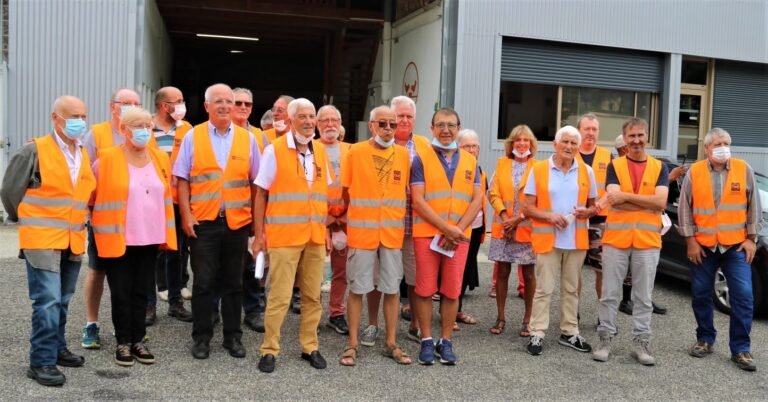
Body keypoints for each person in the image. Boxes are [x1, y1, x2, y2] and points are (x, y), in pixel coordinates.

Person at [1, 95, 95, 386]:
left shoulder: (82, 153)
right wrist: (29, 222)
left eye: (83, 116)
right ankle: (41, 361)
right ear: (56, 118)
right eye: (73, 116)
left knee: (63, 299)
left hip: (73, 238)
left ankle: (56, 348)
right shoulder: (34, 150)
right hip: (42, 240)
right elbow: (9, 192)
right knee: (48, 300)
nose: (79, 122)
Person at [174, 83, 260, 360]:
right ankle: (201, 338)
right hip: (204, 223)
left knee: (234, 283)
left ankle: (233, 338)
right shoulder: (193, 136)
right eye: (219, 101)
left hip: (237, 223)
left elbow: (256, 183)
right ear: (207, 106)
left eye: (229, 101)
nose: (225, 106)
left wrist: (257, 226)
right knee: (203, 283)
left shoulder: (248, 140)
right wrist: (186, 215)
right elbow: (183, 178)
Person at [90, 107, 176, 366]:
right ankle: (123, 342)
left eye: (147, 125)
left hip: (150, 237)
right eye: (136, 125)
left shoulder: (160, 158)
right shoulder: (105, 160)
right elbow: (91, 198)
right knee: (121, 292)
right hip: (118, 237)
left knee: (142, 291)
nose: (143, 130)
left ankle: (139, 339)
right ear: (123, 129)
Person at [253, 98, 332, 373]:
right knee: (280, 297)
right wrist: (259, 234)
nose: (309, 122)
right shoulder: (274, 150)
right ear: (291, 119)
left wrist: (328, 231)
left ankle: (310, 346)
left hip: (314, 236)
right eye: (303, 117)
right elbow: (261, 192)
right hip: (284, 237)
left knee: (312, 297)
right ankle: (269, 349)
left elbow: (322, 195)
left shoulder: (320, 151)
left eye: (312, 117)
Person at [678, 127, 763, 371]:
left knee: (744, 297)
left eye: (727, 142)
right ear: (707, 148)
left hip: (735, 246)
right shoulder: (694, 171)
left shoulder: (742, 168)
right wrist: (691, 241)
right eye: (718, 143)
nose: (723, 146)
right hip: (704, 247)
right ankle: (705, 339)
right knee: (701, 293)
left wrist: (751, 239)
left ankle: (741, 349)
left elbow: (753, 206)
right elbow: (685, 208)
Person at [338, 105, 413, 366]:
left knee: (392, 289)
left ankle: (391, 342)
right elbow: (345, 192)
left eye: (393, 124)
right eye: (383, 124)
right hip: (362, 232)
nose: (389, 129)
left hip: (391, 233)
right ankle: (353, 343)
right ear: (371, 125)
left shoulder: (404, 155)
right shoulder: (354, 152)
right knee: (358, 288)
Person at [593, 117, 669, 366]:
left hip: (647, 241)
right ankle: (605, 338)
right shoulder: (615, 165)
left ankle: (641, 342)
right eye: (631, 136)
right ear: (624, 139)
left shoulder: (660, 167)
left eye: (640, 135)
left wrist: (625, 196)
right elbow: (613, 199)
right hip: (617, 239)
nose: (636, 140)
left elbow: (660, 203)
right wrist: (644, 199)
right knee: (610, 294)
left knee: (643, 296)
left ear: (647, 136)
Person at [410, 107, 483, 365]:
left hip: (458, 237)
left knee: (452, 291)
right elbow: (418, 201)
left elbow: (477, 200)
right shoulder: (420, 159)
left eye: (451, 125)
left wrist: (458, 230)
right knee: (425, 289)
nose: (445, 130)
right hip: (427, 235)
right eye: (440, 125)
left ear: (458, 127)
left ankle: (446, 341)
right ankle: (427, 340)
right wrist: (446, 228)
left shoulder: (471, 161)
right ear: (431, 128)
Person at [523, 125, 598, 356]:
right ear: (555, 144)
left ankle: (569, 331)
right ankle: (537, 333)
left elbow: (595, 205)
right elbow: (526, 207)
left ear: (578, 147)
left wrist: (588, 212)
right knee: (544, 288)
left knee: (571, 288)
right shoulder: (538, 170)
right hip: (548, 239)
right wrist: (550, 216)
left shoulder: (586, 171)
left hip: (576, 239)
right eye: (564, 142)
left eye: (573, 143)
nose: (569, 146)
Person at [81, 88, 142, 349]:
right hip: (105, 220)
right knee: (98, 271)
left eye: (136, 103)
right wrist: (87, 213)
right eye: (125, 103)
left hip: (137, 222)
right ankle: (91, 324)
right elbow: (84, 173)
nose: (130, 107)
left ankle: (130, 327)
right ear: (112, 106)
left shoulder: (142, 134)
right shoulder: (97, 134)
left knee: (134, 275)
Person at [615, 133, 680, 316]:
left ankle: (645, 299)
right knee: (629, 266)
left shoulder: (648, 166)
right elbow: (644, 195)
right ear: (623, 148)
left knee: (647, 266)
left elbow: (654, 197)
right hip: (625, 227)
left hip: (648, 227)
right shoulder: (618, 169)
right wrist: (670, 178)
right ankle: (626, 300)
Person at [487, 125, 538, 337]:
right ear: (511, 143)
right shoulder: (501, 164)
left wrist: (518, 219)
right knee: (503, 272)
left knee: (528, 273)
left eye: (526, 140)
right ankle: (500, 317)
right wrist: (506, 217)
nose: (522, 143)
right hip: (503, 227)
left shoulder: (538, 167)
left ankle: (528, 319)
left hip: (526, 228)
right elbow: (493, 193)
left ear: (531, 144)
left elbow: (540, 199)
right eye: (518, 140)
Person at [149, 86, 193, 323]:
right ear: (164, 106)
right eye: (177, 101)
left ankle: (175, 301)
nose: (181, 105)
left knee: (176, 253)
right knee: (150, 253)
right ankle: (148, 305)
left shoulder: (187, 130)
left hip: (177, 202)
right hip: (150, 202)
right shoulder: (145, 128)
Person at [229, 87, 271, 333]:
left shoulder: (259, 137)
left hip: (250, 212)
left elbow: (263, 181)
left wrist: (260, 221)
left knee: (251, 264)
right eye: (238, 103)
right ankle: (216, 312)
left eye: (247, 104)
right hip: (222, 214)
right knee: (222, 268)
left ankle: (253, 310)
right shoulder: (214, 134)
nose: (243, 108)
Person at [390, 95, 431, 344]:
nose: (404, 120)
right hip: (389, 225)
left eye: (408, 116)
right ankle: (388, 329)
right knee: (388, 280)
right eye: (400, 116)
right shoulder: (381, 143)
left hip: (416, 225)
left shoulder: (426, 146)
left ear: (414, 119)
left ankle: (415, 324)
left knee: (416, 279)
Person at [317, 105, 351, 336]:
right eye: (325, 120)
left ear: (340, 123)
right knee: (313, 271)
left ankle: (336, 313)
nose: (330, 124)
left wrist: (346, 215)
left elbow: (361, 185)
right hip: (318, 220)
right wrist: (326, 217)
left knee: (342, 271)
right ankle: (313, 315)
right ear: (318, 124)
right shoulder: (309, 149)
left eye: (334, 120)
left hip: (346, 220)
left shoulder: (352, 150)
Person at [575, 114, 611, 308]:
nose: (590, 133)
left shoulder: (607, 156)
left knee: (602, 269)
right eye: (586, 129)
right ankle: (573, 314)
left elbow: (613, 188)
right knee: (574, 270)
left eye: (594, 129)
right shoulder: (569, 153)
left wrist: (596, 206)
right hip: (576, 220)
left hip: (601, 220)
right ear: (579, 131)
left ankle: (604, 316)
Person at [455, 129, 487, 329]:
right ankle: (448, 310)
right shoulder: (455, 168)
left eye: (474, 146)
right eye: (467, 146)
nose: (472, 149)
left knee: (466, 270)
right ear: (458, 148)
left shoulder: (480, 170)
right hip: (459, 228)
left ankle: (457, 310)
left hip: (475, 228)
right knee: (454, 271)